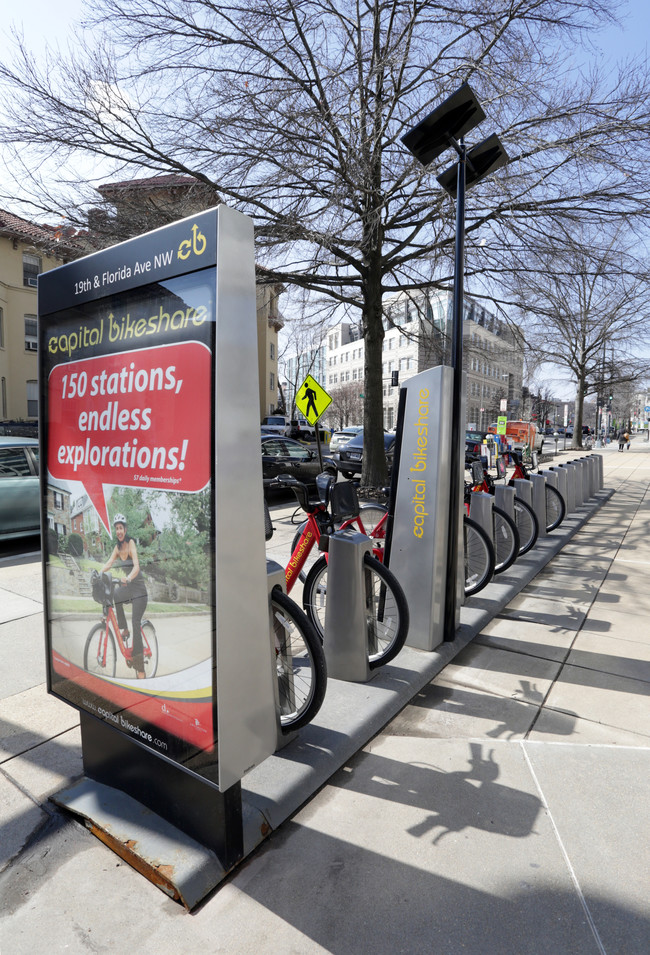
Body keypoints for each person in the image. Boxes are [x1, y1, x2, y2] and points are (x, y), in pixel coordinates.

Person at [101, 513, 148, 678]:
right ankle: (124, 629)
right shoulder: (117, 547)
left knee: (136, 622)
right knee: (116, 595)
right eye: (116, 529)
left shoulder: (130, 543)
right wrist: (99, 572)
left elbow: (136, 566)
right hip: (128, 588)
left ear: (125, 529)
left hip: (139, 590)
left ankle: (140, 669)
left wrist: (127, 578)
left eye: (121, 528)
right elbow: (109, 562)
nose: (118, 531)